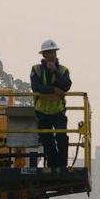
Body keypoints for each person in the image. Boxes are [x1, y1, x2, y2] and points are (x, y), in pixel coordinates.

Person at [30, 39, 72, 170]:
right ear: (43, 55)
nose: (52, 55)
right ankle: (53, 165)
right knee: (47, 140)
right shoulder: (36, 69)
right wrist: (54, 89)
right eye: (49, 53)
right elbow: (36, 87)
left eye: (53, 52)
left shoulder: (63, 70)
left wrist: (55, 71)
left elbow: (66, 86)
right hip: (41, 111)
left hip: (58, 111)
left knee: (61, 137)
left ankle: (62, 165)